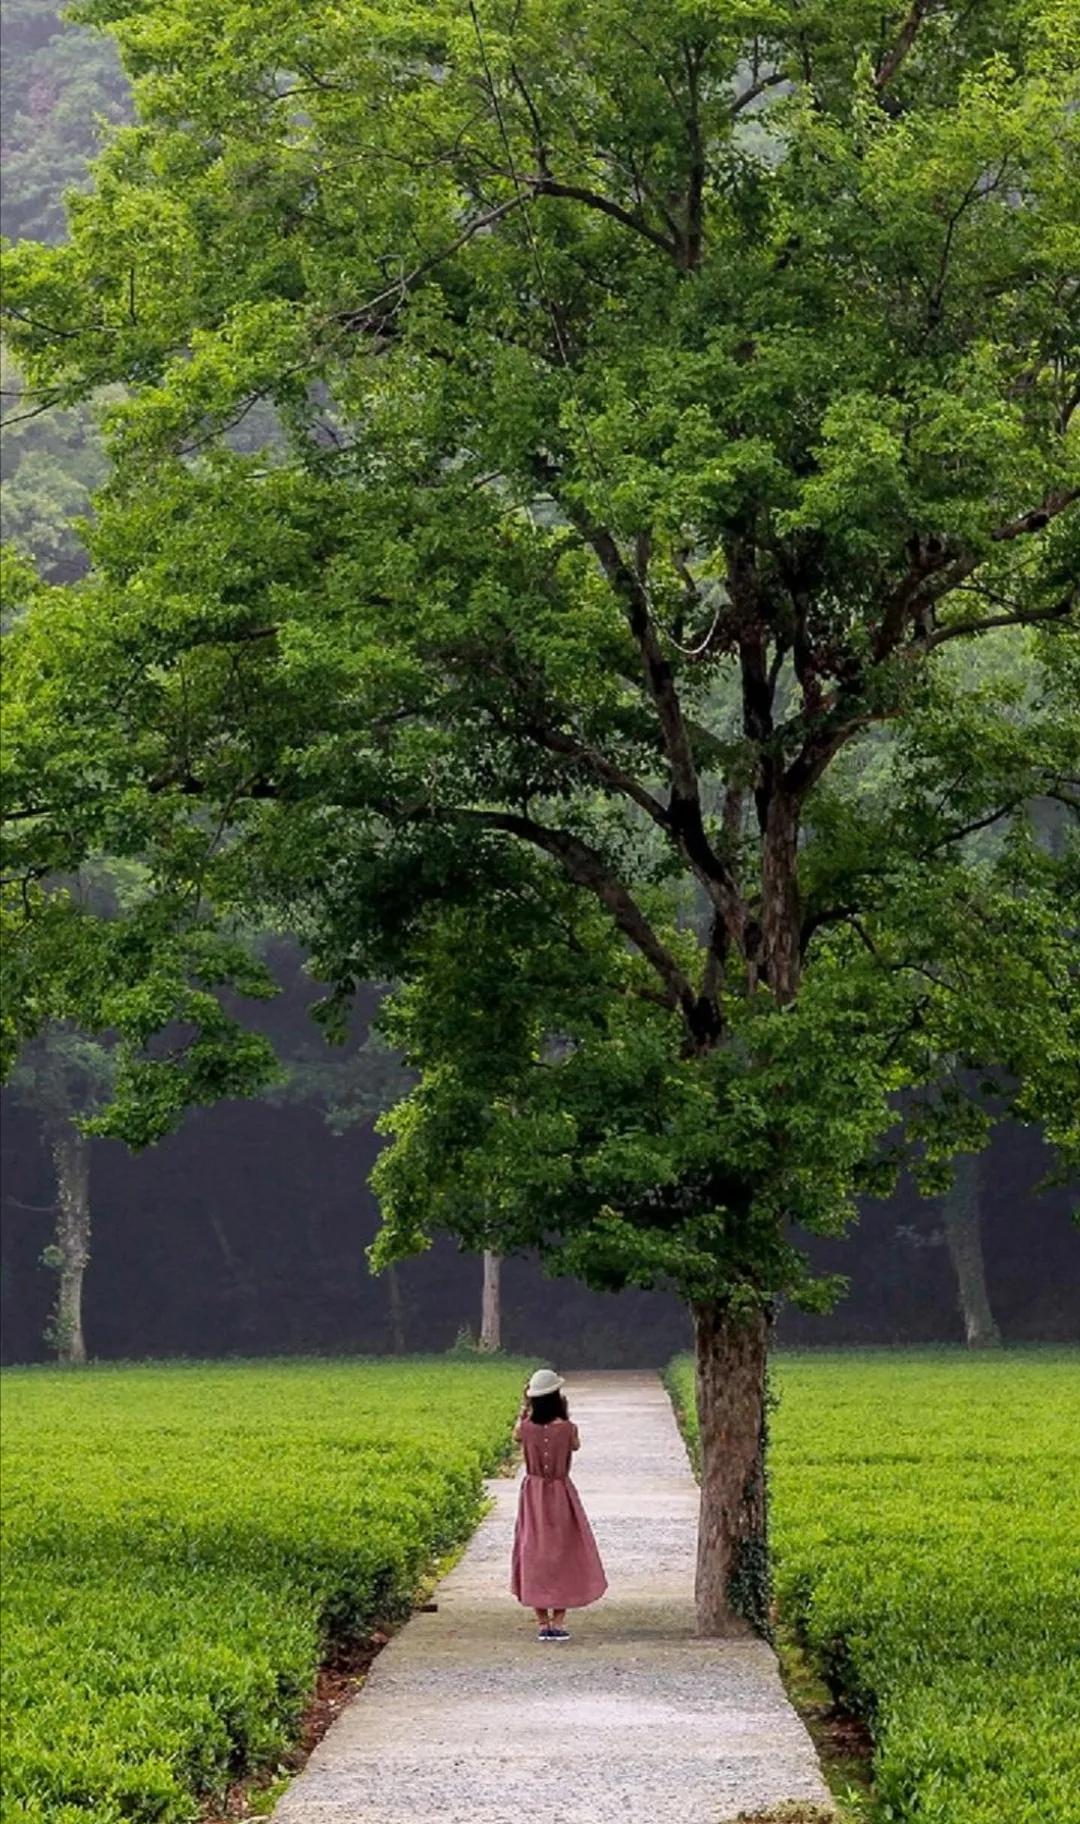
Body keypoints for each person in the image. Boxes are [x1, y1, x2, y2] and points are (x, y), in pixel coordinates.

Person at [510, 1367, 607, 1641]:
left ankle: (542, 1622)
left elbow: (518, 1434)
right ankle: (560, 1620)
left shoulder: (525, 1429)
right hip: (561, 1492)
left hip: (533, 1494)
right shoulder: (568, 1428)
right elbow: (575, 1445)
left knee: (534, 1552)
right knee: (563, 1551)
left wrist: (524, 1409)